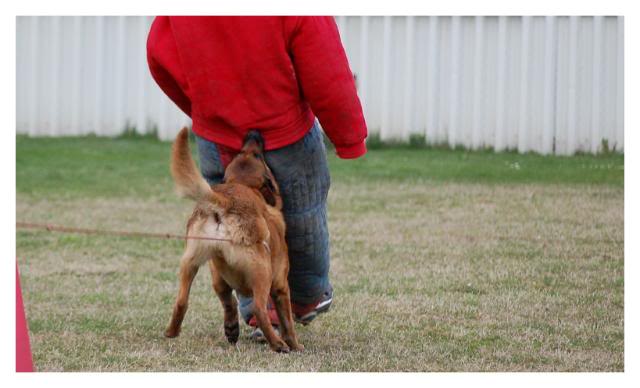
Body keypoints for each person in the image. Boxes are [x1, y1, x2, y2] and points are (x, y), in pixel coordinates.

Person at [147, 16, 367, 339]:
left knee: (231, 223)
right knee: (302, 213)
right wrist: (349, 136)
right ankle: (302, 299)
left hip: (218, 135)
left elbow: (158, 50)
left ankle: (253, 305)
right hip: (285, 130)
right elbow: (325, 62)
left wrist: (203, 105)